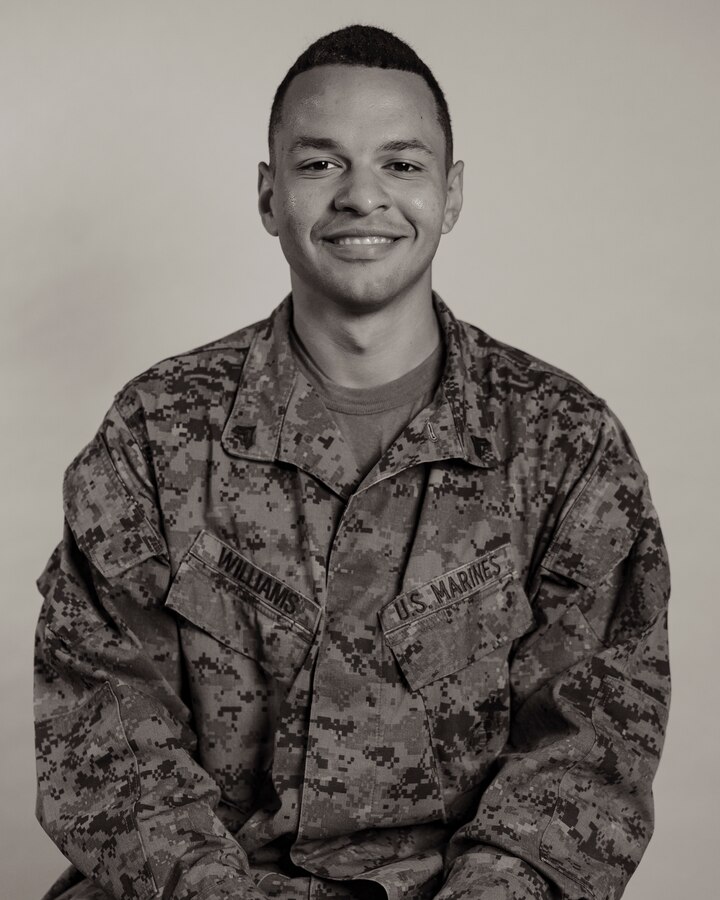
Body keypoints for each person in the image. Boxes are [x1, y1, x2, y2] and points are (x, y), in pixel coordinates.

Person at [34, 24, 670, 900]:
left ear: (450, 196)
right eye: (321, 163)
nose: (362, 196)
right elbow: (103, 731)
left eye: (402, 165)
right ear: (269, 195)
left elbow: (589, 748)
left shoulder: (565, 444)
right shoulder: (154, 432)